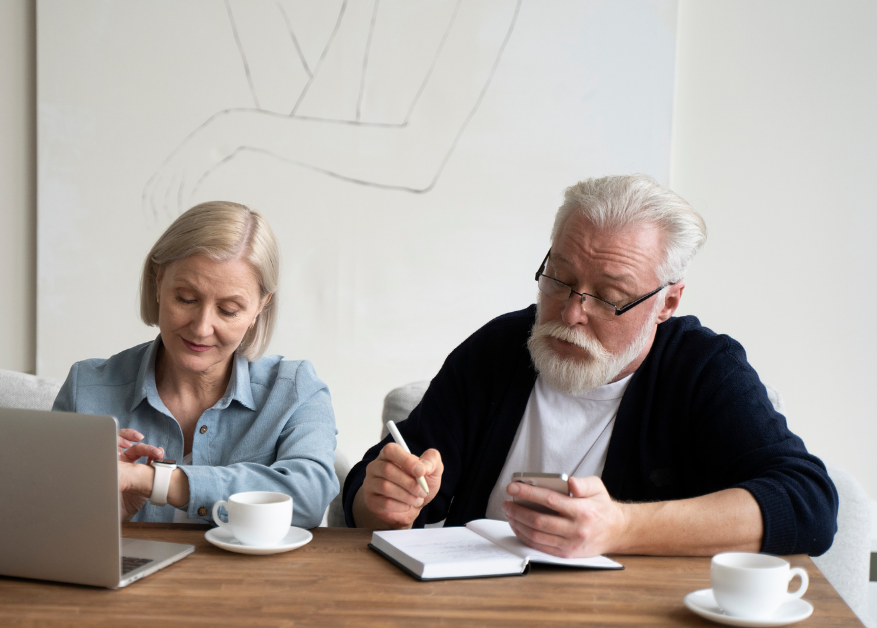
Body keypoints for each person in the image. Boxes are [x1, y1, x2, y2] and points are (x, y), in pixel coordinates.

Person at [344, 174, 838, 557]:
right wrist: (382, 500)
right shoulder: (500, 349)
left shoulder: (703, 370)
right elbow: (370, 488)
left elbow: (808, 504)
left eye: (610, 297)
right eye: (558, 279)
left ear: (667, 303)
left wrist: (620, 527)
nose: (572, 313)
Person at [52, 201, 338, 528]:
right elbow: (40, 517)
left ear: (261, 306)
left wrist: (148, 479)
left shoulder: (296, 389)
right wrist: (101, 517)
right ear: (157, 283)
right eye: (186, 299)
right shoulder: (86, 389)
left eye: (229, 310)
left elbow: (307, 500)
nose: (201, 328)